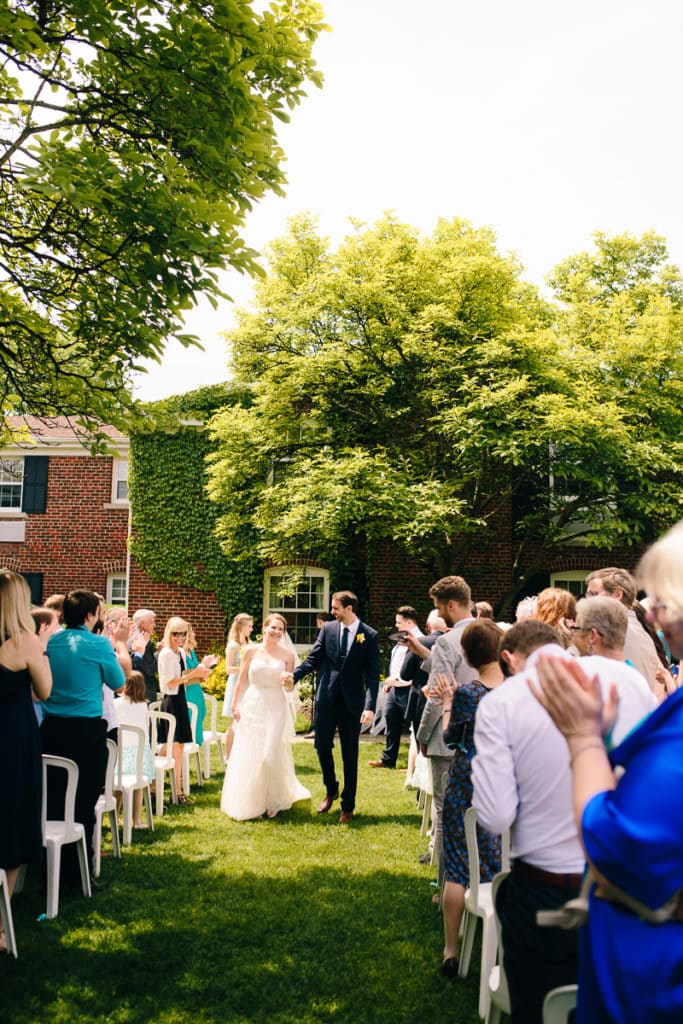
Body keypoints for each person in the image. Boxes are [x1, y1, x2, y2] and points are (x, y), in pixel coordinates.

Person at [527, 521, 683, 1022]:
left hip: (654, 987)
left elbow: (613, 844)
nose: (650, 612)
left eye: (662, 600)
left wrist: (585, 739)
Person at [471, 619, 657, 1024]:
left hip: (546, 891)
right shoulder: (626, 681)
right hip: (629, 887)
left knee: (539, 1010)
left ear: (509, 658)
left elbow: (495, 816)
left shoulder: (503, 702)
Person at [42, 589, 125, 886]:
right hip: (85, 732)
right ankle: (80, 876)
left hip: (51, 729)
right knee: (84, 801)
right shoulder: (98, 644)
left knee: (52, 800)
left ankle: (49, 870)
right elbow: (118, 682)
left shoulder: (51, 641)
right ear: (90, 616)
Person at [437, 619, 504, 978]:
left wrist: (448, 704)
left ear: (468, 654)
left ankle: (451, 949)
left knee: (459, 861)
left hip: (467, 778)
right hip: (501, 778)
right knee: (497, 855)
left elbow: (451, 739)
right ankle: (497, 943)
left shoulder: (467, 694)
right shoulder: (515, 692)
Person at [289, 591, 380, 823]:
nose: (332, 612)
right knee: (321, 746)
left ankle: (348, 804)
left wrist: (369, 706)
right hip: (326, 699)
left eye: (335, 608)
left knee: (350, 754)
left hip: (352, 704)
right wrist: (294, 676)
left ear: (349, 608)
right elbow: (313, 659)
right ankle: (331, 788)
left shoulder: (368, 635)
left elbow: (371, 674)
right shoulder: (328, 630)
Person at [0, 569, 52, 951]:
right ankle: (1, 924)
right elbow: (45, 690)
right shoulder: (25, 643)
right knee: (14, 817)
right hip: (13, 738)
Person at [415, 576, 478, 891]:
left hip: (447, 737)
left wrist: (423, 736)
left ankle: (445, 888)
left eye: (440, 608)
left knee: (444, 813)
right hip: (483, 739)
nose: (439, 614)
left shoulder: (447, 642)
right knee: (476, 812)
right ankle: (475, 881)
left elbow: (436, 697)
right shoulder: (493, 635)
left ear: (451, 605)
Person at [221, 613, 310, 820]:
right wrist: (235, 706)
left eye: (280, 629)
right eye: (273, 628)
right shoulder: (250, 651)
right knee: (251, 752)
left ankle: (274, 799)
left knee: (270, 753)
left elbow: (289, 688)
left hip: (276, 706)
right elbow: (241, 681)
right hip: (252, 703)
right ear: (264, 629)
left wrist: (289, 682)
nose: (277, 632)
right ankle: (252, 800)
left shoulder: (287, 656)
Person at [157, 616, 206, 802]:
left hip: (180, 698)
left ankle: (158, 783)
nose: (179, 637)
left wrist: (197, 675)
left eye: (183, 634)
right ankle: (177, 792)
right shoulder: (167, 654)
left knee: (177, 746)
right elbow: (168, 682)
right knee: (176, 747)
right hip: (171, 700)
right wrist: (189, 677)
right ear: (169, 633)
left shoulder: (180, 652)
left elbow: (182, 676)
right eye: (176, 634)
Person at [368, 605, 424, 769]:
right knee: (391, 721)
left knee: (414, 726)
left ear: (408, 622)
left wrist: (396, 680)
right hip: (395, 689)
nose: (396, 625)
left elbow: (414, 670)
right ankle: (388, 759)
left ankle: (417, 764)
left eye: (399, 622)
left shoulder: (419, 640)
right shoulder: (401, 640)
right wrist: (391, 684)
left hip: (410, 689)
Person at [114, 671, 155, 829]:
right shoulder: (143, 705)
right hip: (140, 753)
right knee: (138, 787)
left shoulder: (116, 704)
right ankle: (136, 820)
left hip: (120, 753)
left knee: (117, 787)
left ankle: (116, 816)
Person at [184, 624, 217, 747]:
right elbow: (185, 675)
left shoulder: (191, 651)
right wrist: (202, 666)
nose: (194, 634)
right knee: (189, 726)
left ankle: (193, 757)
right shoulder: (179, 652)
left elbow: (196, 674)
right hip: (187, 693)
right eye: (191, 631)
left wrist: (206, 666)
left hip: (197, 692)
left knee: (199, 718)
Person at [129, 608, 158, 704]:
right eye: (151, 622)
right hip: (143, 692)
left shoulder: (136, 638)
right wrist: (160, 654)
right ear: (142, 624)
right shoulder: (140, 641)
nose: (154, 625)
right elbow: (149, 668)